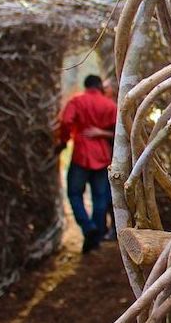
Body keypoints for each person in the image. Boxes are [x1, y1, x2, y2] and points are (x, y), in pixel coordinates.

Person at [56, 74, 116, 253]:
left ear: (86, 85)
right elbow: (120, 129)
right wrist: (103, 134)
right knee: (100, 196)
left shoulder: (77, 102)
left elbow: (66, 121)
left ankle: (87, 227)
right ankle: (95, 238)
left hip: (81, 155)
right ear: (100, 87)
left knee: (74, 193)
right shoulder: (110, 105)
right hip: (102, 156)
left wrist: (64, 140)